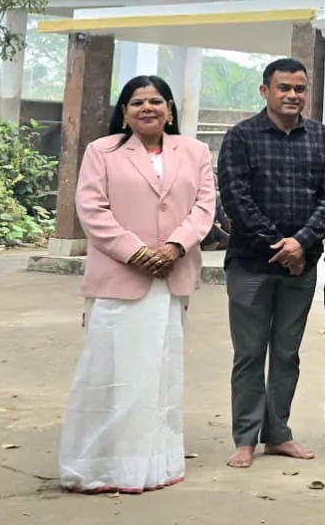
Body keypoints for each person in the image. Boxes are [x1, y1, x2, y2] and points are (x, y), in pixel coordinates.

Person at [59, 76, 215, 493]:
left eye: (156, 101)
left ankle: (155, 466)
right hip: (119, 279)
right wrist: (138, 252)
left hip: (171, 278)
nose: (147, 108)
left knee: (160, 373)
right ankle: (101, 467)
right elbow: (92, 210)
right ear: (124, 112)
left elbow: (204, 207)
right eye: (137, 102)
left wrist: (175, 248)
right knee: (112, 373)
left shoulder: (195, 151)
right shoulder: (102, 152)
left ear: (170, 108)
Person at [218, 58, 325, 469]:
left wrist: (301, 244)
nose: (292, 95)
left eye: (299, 89)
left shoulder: (323, 138)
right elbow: (236, 199)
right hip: (252, 265)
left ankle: (279, 433)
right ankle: (246, 437)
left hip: (301, 267)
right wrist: (279, 244)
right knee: (250, 353)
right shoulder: (241, 137)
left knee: (286, 353)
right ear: (265, 90)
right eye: (284, 87)